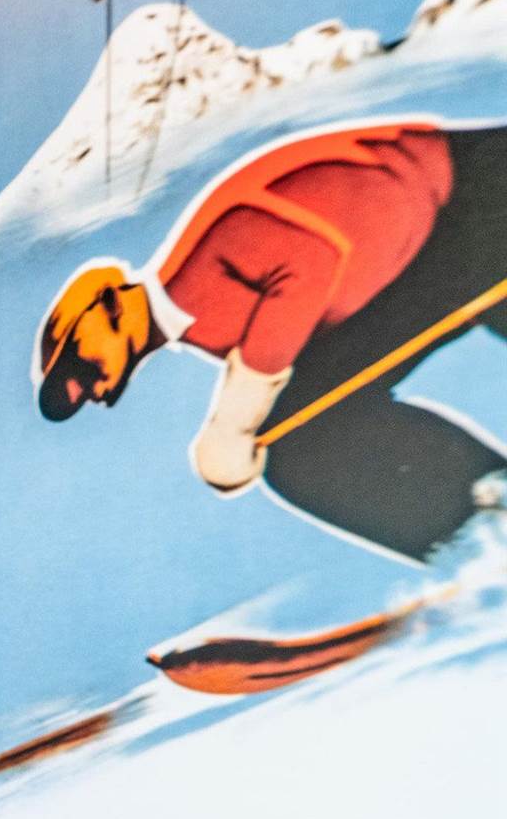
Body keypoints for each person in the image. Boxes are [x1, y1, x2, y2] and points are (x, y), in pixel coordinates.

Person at [32, 117, 507, 560]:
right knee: (297, 432)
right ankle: (479, 522)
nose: (86, 390)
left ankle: (482, 518)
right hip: (444, 238)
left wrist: (235, 420)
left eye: (76, 362)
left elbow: (308, 264)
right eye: (78, 393)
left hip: (472, 197)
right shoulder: (198, 314)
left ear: (106, 304)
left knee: (296, 432)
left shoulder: (195, 274)